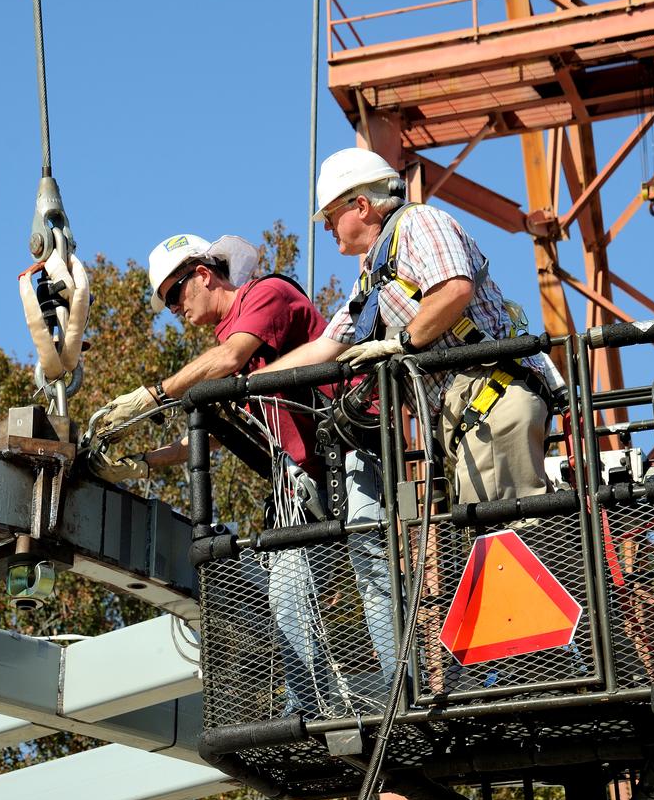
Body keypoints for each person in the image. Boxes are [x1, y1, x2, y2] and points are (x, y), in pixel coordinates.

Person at [255, 147, 555, 688]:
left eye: (330, 219)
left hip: (491, 397)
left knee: (513, 536)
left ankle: (543, 669)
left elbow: (454, 291)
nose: (329, 232)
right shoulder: (371, 276)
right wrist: (249, 384)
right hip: (466, 420)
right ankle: (523, 667)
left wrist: (399, 343)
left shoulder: (420, 223)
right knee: (492, 538)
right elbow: (327, 346)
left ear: (362, 206)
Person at [89, 232, 334, 716]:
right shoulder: (231, 338)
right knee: (282, 593)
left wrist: (151, 396)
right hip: (303, 483)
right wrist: (143, 465)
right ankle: (313, 704)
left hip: (344, 462)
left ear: (203, 274)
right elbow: (216, 432)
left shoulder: (264, 297)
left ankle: (328, 704)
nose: (174, 309)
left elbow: (228, 361)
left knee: (364, 580)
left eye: (175, 294)